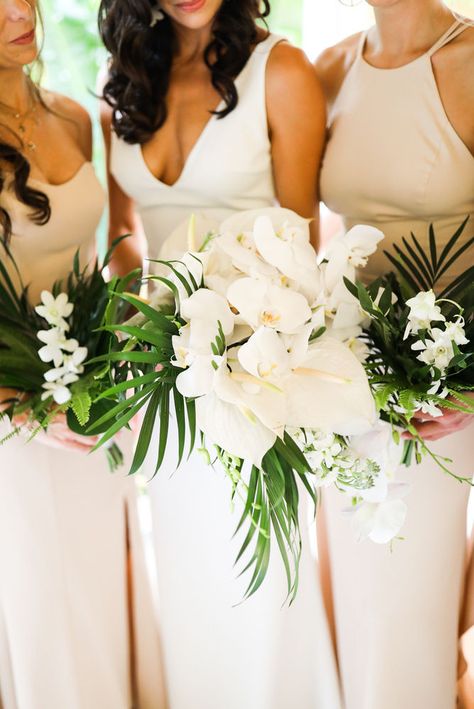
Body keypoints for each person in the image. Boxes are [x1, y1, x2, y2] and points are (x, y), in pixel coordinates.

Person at [99, 1, 342, 708]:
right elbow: (123, 236)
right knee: (189, 574)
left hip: (257, 377)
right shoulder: (124, 79)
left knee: (261, 583)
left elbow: (304, 247)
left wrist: (246, 356)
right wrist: (131, 341)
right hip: (161, 387)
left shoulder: (282, 70)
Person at [0, 2, 167, 707]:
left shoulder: (73, 115)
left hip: (96, 401)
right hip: (17, 424)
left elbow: (112, 248)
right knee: (51, 612)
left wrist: (136, 331)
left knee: (106, 590)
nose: (15, 10)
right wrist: (25, 409)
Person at [316, 2, 474, 708]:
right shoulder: (331, 67)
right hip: (348, 390)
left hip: (448, 401)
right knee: (367, 610)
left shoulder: (468, 61)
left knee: (412, 609)